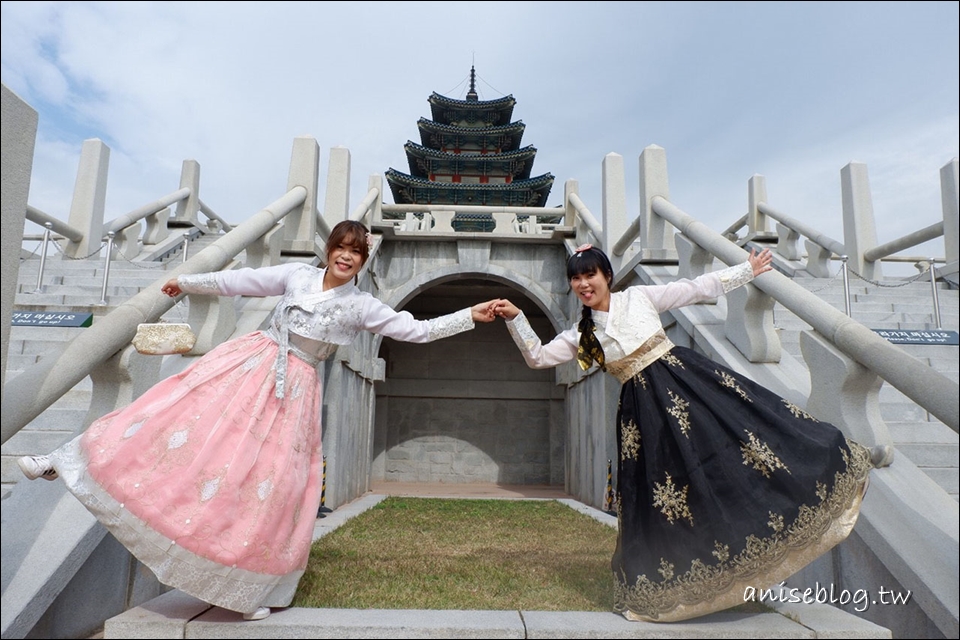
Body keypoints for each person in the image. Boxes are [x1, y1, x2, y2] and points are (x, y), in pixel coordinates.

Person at [17, 220, 500, 621]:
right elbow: (241, 281)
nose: (346, 257)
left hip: (296, 390)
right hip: (251, 363)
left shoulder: (362, 306)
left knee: (271, 483)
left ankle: (246, 589)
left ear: (363, 260)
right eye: (341, 247)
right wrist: (187, 282)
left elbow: (415, 330)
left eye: (356, 252)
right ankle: (64, 458)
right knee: (170, 412)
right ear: (329, 249)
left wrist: (469, 315)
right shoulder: (296, 276)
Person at [492, 244, 882, 623]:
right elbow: (538, 357)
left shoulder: (640, 298)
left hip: (687, 388)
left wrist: (746, 271)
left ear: (606, 276)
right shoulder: (583, 336)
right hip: (642, 418)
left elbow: (694, 288)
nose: (583, 284)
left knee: (744, 443)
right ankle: (683, 584)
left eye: (589, 274)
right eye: (576, 279)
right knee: (664, 495)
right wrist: (516, 317)